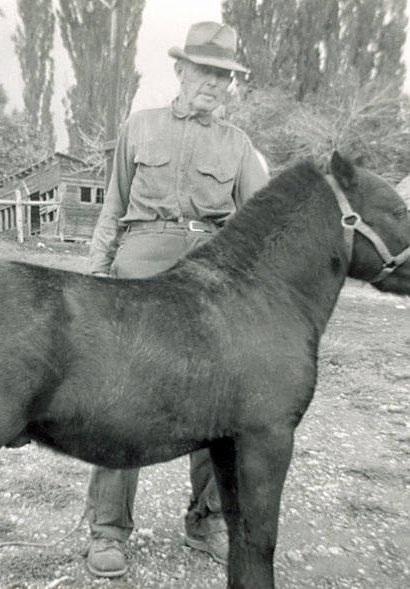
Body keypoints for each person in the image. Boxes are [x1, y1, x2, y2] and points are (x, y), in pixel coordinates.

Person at [85, 21, 270, 578]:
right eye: (205, 71)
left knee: (220, 404)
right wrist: (97, 275)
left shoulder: (238, 147)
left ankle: (207, 521)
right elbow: (112, 209)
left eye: (224, 76)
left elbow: (262, 227)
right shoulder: (138, 127)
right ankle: (107, 529)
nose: (213, 84)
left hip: (210, 283)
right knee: (120, 402)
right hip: (139, 268)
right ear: (181, 70)